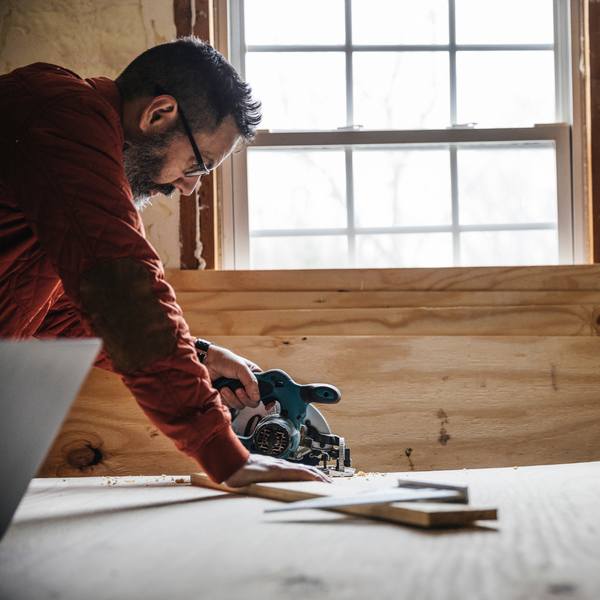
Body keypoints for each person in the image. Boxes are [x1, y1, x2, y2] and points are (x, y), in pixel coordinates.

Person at [0, 36, 330, 487]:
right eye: (198, 165)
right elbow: (124, 293)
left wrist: (201, 357)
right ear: (158, 114)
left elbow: (55, 313)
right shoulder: (64, 118)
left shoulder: (59, 137)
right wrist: (227, 457)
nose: (190, 187)